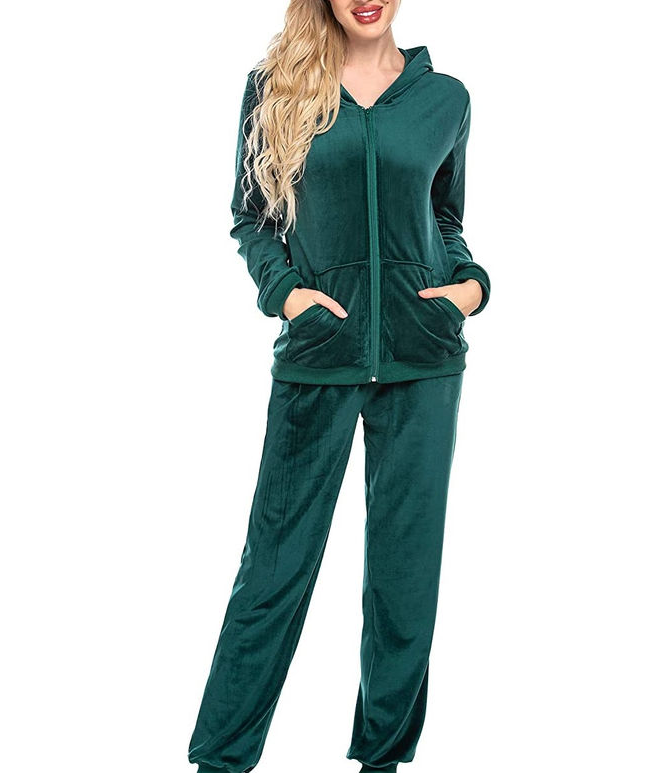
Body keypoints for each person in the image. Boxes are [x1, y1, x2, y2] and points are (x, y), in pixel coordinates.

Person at [188, 2, 491, 771]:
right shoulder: (277, 86)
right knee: (275, 567)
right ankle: (220, 760)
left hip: (424, 358)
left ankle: (382, 760)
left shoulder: (445, 98)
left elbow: (444, 218)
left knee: (405, 575)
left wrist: (469, 288)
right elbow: (253, 219)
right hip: (320, 353)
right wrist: (288, 295)